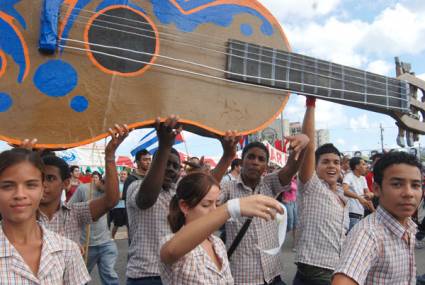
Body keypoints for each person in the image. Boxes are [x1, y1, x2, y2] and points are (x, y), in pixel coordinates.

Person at [126, 115, 239, 285]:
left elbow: (206, 192)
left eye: (175, 166)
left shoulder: (178, 190)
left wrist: (227, 156)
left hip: (180, 273)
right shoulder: (137, 187)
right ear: (154, 165)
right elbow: (146, 200)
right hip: (147, 275)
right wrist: (164, 147)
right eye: (165, 163)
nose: (170, 169)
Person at [159, 172, 284, 284]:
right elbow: (171, 251)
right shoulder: (170, 241)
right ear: (185, 206)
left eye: (217, 203)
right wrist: (230, 208)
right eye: (206, 204)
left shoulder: (217, 243)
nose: (214, 210)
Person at [219, 136, 309, 283]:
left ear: (266, 167)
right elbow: (206, 196)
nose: (255, 162)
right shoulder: (228, 188)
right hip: (244, 277)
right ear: (241, 162)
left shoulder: (269, 183)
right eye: (251, 157)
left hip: (273, 274)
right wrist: (226, 157)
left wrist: (302, 146)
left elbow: (290, 168)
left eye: (261, 159)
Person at [0, 148, 90, 284]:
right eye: (7, 186)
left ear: (42, 190)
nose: (20, 194)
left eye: (31, 185)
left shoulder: (67, 250)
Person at [332, 151, 423, 285]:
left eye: (415, 185)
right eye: (397, 184)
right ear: (377, 189)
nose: (409, 193)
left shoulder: (408, 225)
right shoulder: (368, 234)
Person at [38, 124, 128, 244]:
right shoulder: (21, 216)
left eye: (50, 178)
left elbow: (111, 201)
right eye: (39, 178)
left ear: (65, 183)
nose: (43, 184)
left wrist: (110, 155)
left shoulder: (73, 214)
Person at [293, 97, 350, 285]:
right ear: (315, 167)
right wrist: (311, 104)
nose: (332, 166)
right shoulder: (312, 186)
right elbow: (308, 148)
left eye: (336, 162)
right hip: (317, 272)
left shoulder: (341, 195)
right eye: (325, 162)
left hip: (338, 268)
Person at [69, 172, 120, 285]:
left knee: (110, 274)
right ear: (102, 182)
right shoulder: (83, 189)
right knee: (81, 278)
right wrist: (74, 240)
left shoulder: (109, 194)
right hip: (86, 244)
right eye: (108, 188)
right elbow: (68, 211)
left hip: (105, 242)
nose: (109, 193)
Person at [343, 157, 374, 230]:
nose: (366, 166)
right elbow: (344, 190)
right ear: (357, 166)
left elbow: (368, 192)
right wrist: (359, 197)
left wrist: (370, 194)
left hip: (360, 211)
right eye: (363, 164)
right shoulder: (349, 176)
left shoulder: (362, 178)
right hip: (352, 211)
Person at [110, 170, 128, 238]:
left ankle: (130, 238)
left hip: (127, 207)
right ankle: (112, 237)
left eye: (124, 174)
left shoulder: (128, 185)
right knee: (116, 224)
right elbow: (117, 196)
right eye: (121, 174)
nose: (123, 175)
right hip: (118, 207)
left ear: (127, 176)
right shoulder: (117, 184)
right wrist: (122, 196)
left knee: (128, 224)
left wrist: (122, 196)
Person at [282, 175, 298, 250]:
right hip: (287, 203)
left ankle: (295, 245)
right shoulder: (285, 180)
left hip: (295, 203)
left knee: (296, 224)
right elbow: (282, 189)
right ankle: (280, 238)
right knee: (289, 224)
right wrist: (283, 199)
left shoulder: (295, 180)